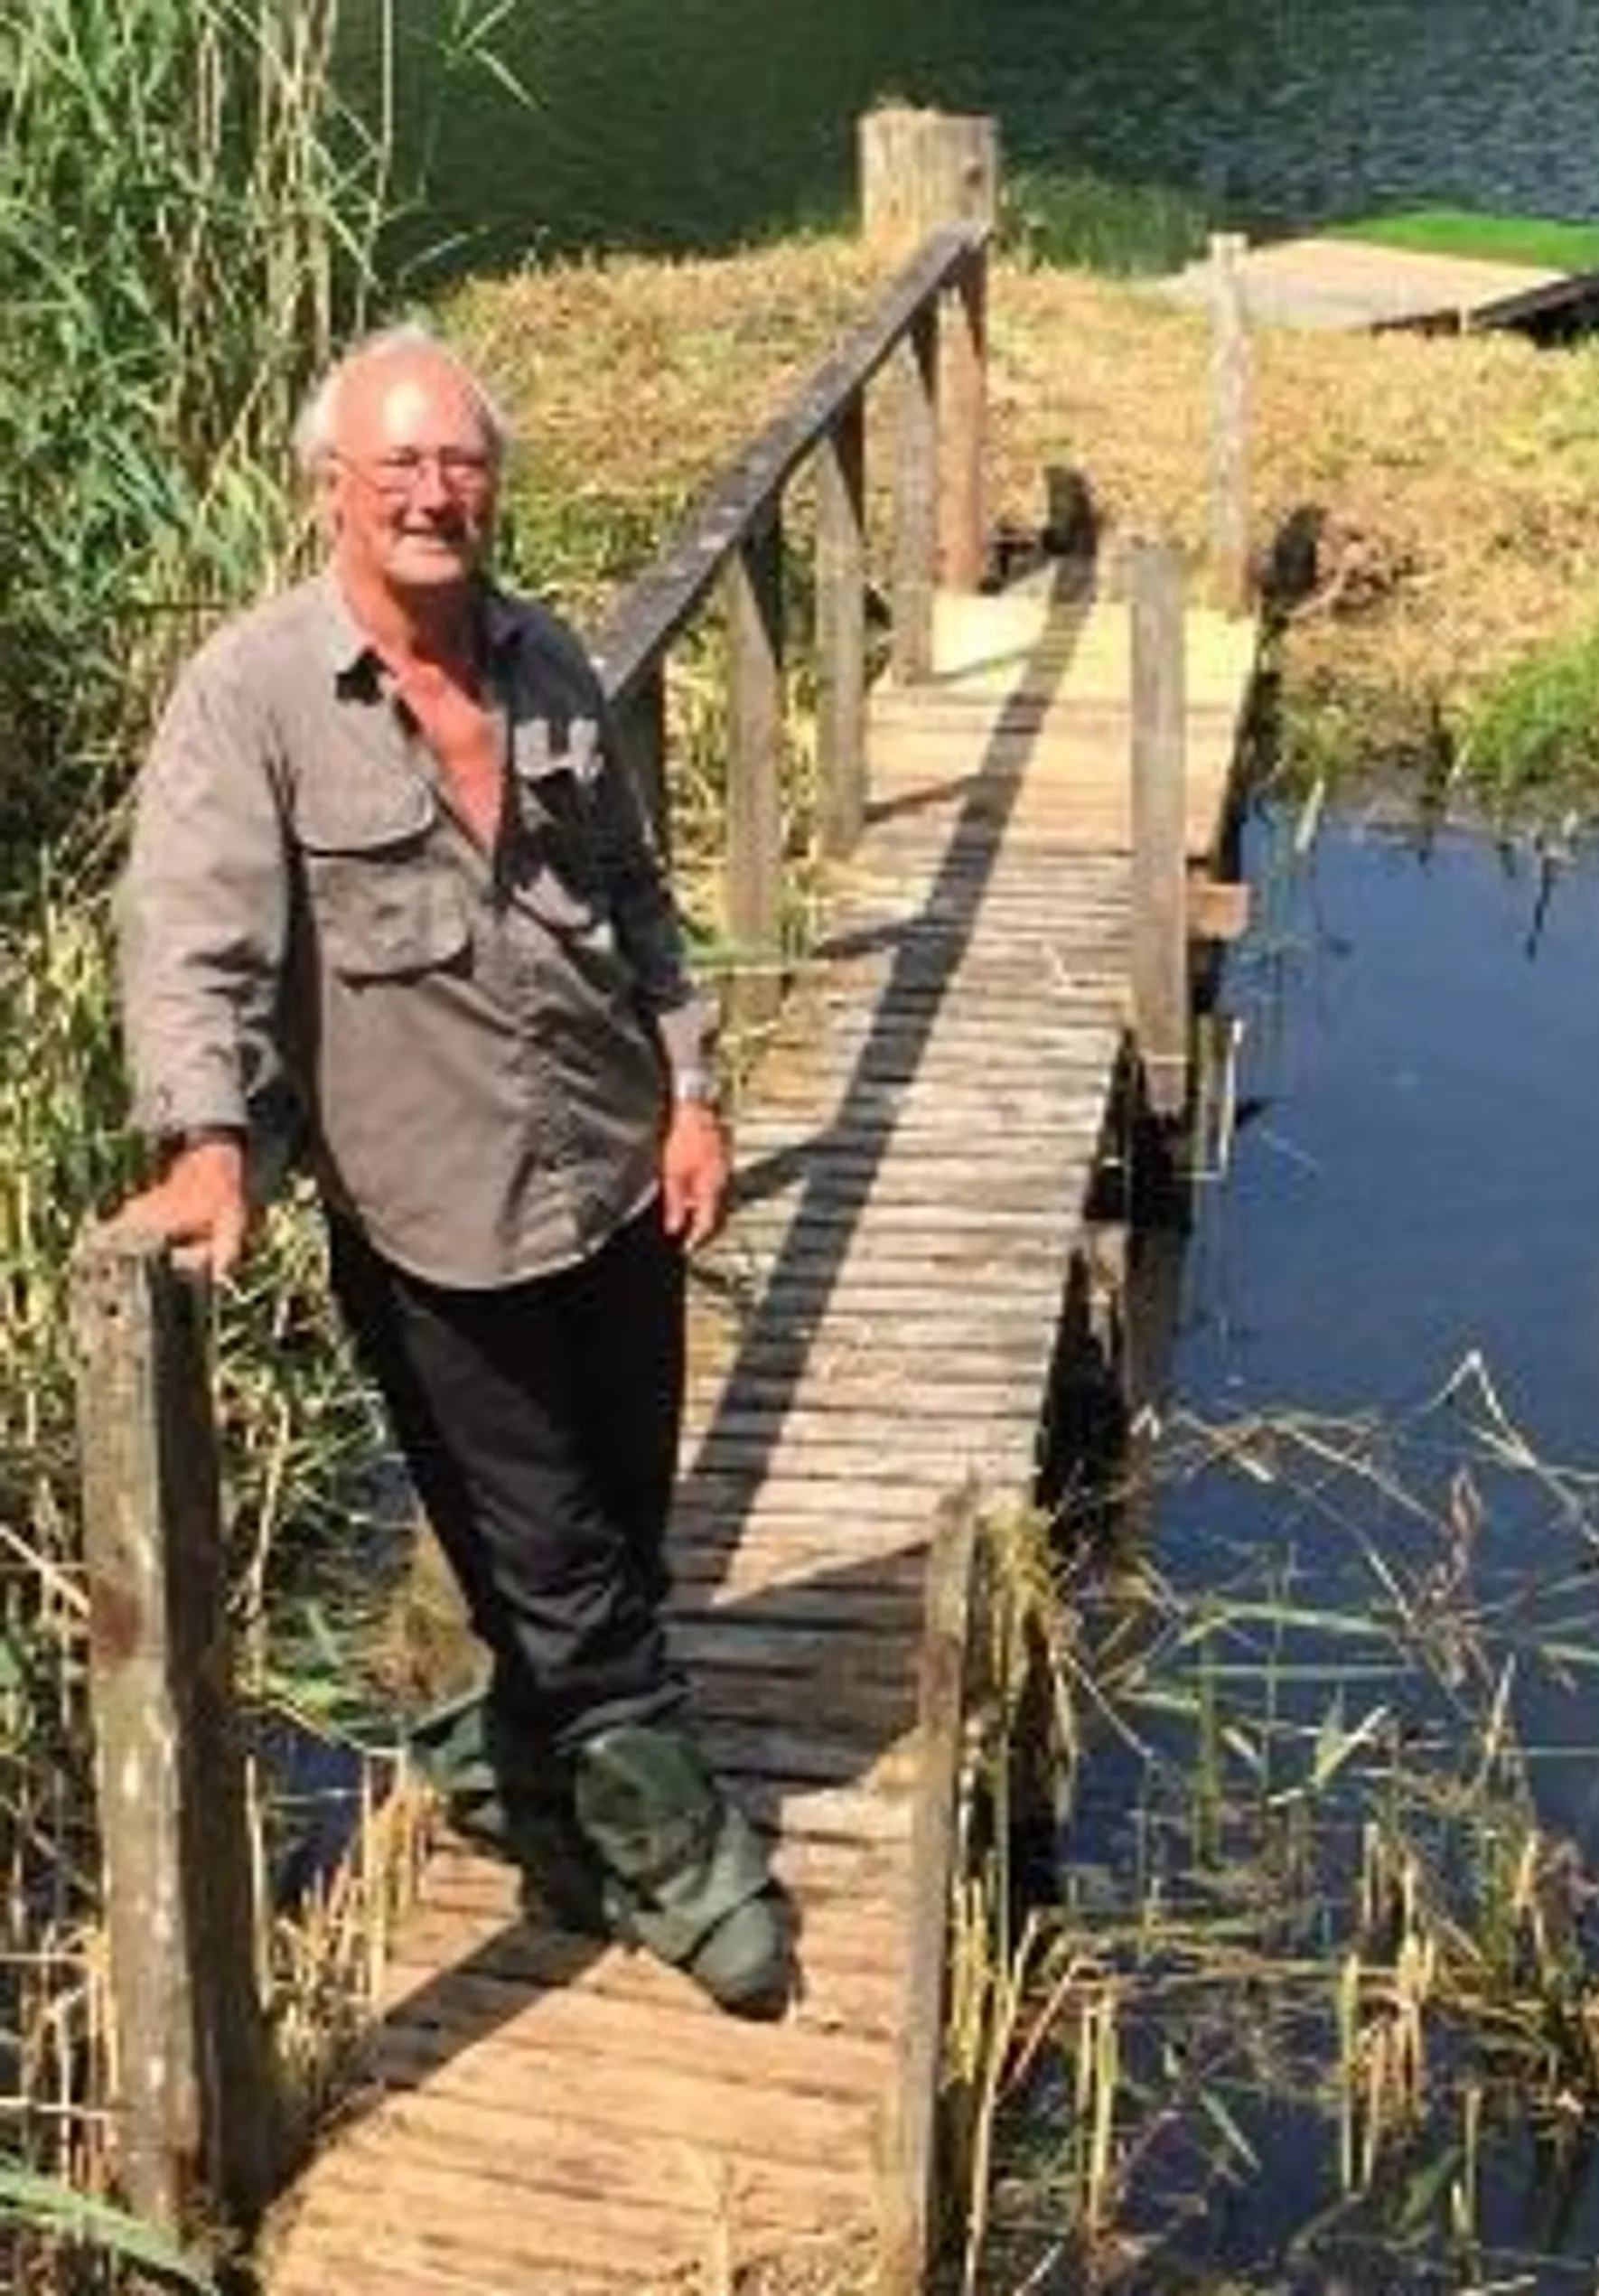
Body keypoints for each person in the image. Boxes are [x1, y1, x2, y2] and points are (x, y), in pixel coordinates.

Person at [110, 324, 790, 2017]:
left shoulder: (545, 659)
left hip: (613, 1178)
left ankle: (503, 1765)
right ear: (329, 488)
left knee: (621, 1524)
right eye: (397, 464)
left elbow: (634, 897)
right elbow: (190, 943)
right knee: (557, 1559)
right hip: (432, 1223)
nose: (434, 493)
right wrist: (212, 1149)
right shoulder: (253, 697)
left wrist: (692, 1092)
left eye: (461, 462)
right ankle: (694, 1877)